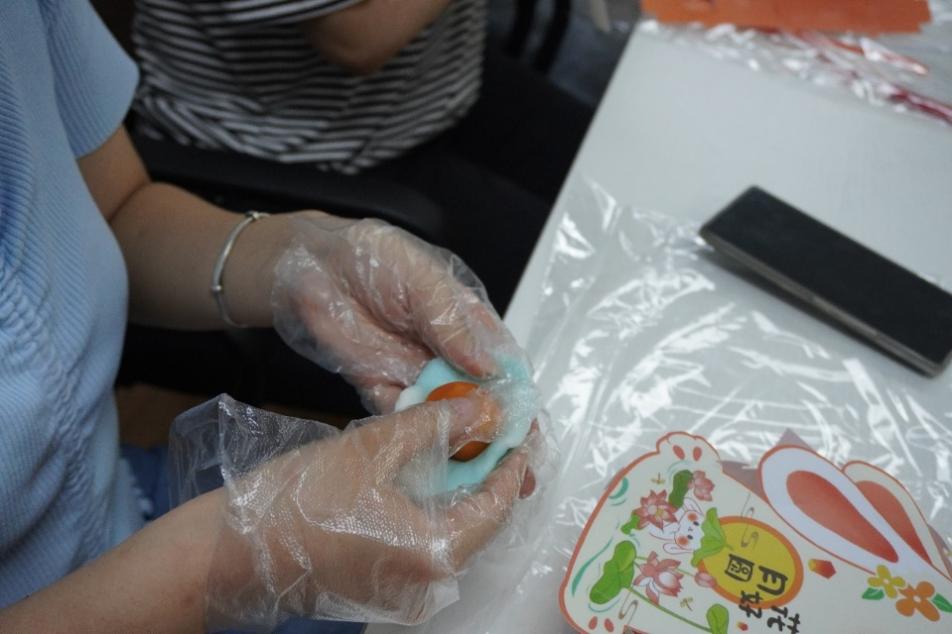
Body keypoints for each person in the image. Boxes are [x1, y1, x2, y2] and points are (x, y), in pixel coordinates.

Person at [0, 1, 536, 630]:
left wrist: (300, 264)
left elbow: (116, 208)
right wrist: (236, 561)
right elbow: (357, 33)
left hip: (116, 505)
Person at [131, 0, 593, 311]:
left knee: (619, 208)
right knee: (584, 288)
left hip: (434, 84)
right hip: (296, 154)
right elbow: (358, 34)